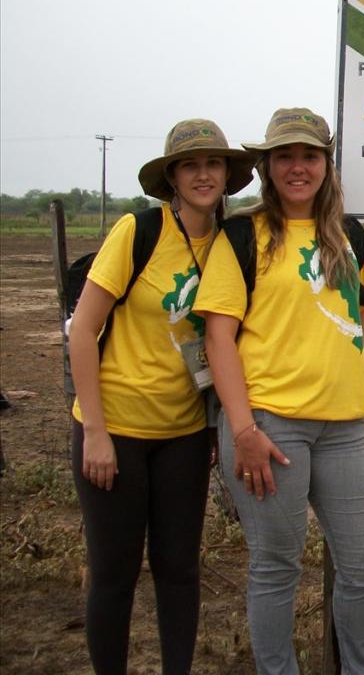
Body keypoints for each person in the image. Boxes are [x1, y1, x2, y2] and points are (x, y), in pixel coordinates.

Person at [194, 107, 364, 675]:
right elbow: (218, 337)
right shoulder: (242, 235)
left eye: (309, 155)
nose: (297, 167)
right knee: (277, 565)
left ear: (327, 164)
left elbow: (360, 325)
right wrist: (242, 430)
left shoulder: (347, 234)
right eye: (285, 156)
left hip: (343, 428)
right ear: (267, 166)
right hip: (269, 426)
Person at [68, 119, 255, 675]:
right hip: (116, 429)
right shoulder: (139, 231)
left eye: (213, 163)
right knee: (115, 574)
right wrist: (95, 432)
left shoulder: (233, 242)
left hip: (185, 434)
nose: (203, 174)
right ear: (172, 177)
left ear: (227, 174)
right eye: (190, 165)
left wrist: (215, 425)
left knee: (179, 570)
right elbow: (83, 331)